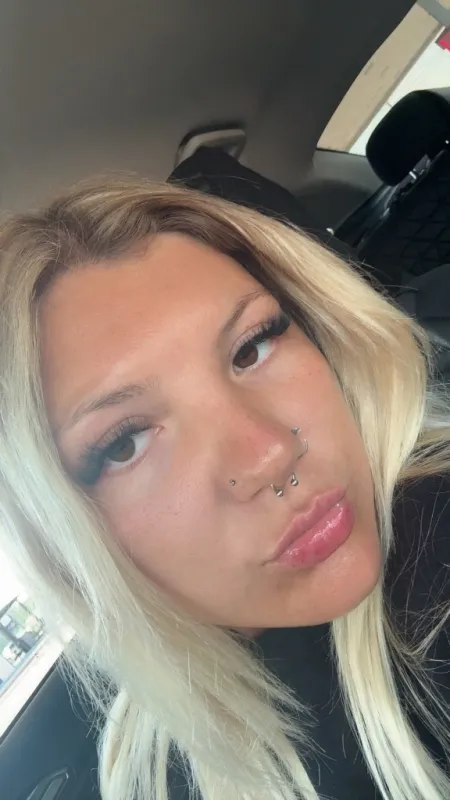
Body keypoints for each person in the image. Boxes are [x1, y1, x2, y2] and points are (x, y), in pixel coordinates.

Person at [0, 176, 449, 800]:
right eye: (126, 443)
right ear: (63, 536)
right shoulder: (144, 766)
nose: (269, 454)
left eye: (252, 347)